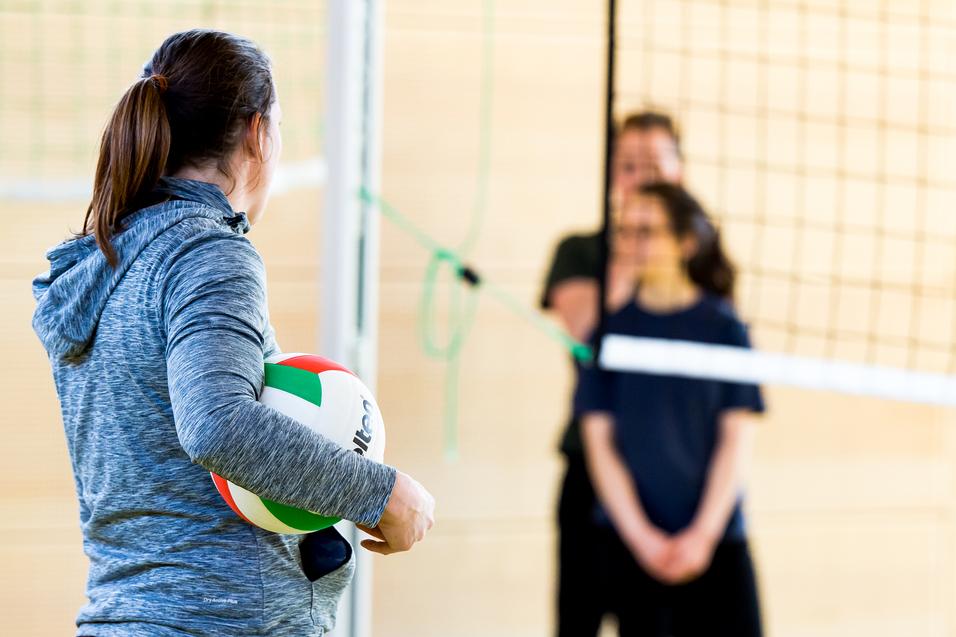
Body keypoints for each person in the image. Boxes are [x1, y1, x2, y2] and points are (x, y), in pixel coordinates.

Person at [31, 29, 434, 637]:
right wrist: (383, 493)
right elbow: (218, 424)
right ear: (257, 133)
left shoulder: (103, 265)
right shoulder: (209, 252)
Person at [575, 183, 765, 636]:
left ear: (686, 242)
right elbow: (600, 447)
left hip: (718, 542)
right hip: (633, 546)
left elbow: (734, 442)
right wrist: (644, 539)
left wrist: (701, 538)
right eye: (625, 231)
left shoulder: (725, 327)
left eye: (646, 231)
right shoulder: (608, 333)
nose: (631, 243)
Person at [539, 111, 684, 636]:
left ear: (680, 174)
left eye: (653, 165)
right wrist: (634, 242)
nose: (641, 178)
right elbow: (585, 331)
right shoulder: (580, 252)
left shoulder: (698, 260)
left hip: (672, 479)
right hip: (590, 473)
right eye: (627, 166)